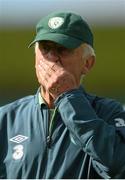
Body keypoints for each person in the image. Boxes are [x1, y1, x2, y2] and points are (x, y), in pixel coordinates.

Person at [0, 11, 125, 179]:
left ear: (87, 63)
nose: (52, 58)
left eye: (63, 49)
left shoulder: (110, 113)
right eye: (45, 48)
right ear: (35, 58)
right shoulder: (6, 118)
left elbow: (116, 165)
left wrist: (68, 96)